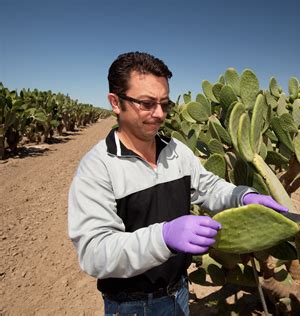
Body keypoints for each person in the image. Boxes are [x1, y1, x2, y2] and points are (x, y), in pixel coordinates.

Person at [68, 51, 288, 316]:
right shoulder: (97, 167)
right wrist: (163, 238)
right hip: (131, 305)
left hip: (179, 292)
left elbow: (208, 187)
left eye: (164, 103)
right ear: (116, 103)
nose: (159, 114)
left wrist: (242, 196)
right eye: (146, 103)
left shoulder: (176, 151)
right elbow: (95, 253)